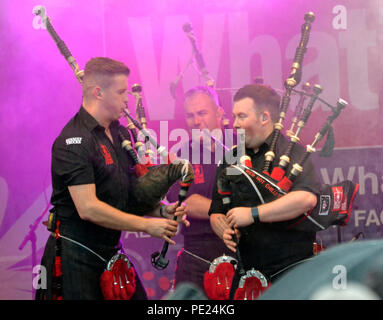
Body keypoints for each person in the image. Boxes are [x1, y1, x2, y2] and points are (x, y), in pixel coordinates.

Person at [36, 57, 187, 300]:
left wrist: (161, 211)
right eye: (120, 92)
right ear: (98, 93)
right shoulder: (73, 140)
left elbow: (128, 194)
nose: (127, 99)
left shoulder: (120, 132)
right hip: (76, 255)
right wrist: (147, 226)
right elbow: (88, 208)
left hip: (110, 251)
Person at [209, 84, 321, 298]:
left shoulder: (292, 153)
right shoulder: (232, 157)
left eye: (242, 116)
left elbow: (305, 199)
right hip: (246, 277)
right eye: (234, 117)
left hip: (291, 276)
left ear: (264, 117)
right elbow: (216, 211)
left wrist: (252, 214)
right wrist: (223, 229)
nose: (235, 124)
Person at [166, 86, 234, 294]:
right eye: (190, 116)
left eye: (202, 113)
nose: (196, 122)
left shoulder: (241, 148)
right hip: (197, 254)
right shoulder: (178, 154)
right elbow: (187, 202)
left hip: (240, 248)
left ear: (219, 113)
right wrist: (234, 210)